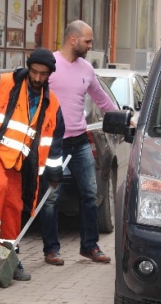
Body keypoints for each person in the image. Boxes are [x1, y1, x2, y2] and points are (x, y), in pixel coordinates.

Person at [0, 48, 65, 281]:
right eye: (34, 72)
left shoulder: (52, 105)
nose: (37, 78)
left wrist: (55, 173)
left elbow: (53, 143)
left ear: (49, 75)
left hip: (19, 162)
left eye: (43, 74)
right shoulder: (3, 84)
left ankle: (10, 256)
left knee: (14, 205)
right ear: (28, 68)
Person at [40, 20, 118, 266]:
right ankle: (51, 249)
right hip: (54, 143)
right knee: (51, 196)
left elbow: (102, 99)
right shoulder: (50, 66)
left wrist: (120, 118)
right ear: (73, 39)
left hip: (80, 141)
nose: (89, 45)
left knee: (90, 194)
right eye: (87, 41)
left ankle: (89, 247)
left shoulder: (86, 69)